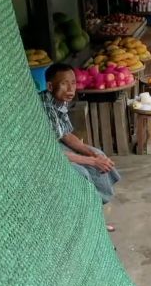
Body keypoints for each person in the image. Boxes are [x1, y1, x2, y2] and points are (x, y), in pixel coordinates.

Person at [41, 63, 121, 231]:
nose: (71, 89)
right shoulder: (46, 106)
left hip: (57, 144)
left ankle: (96, 216)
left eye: (73, 83)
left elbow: (67, 135)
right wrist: (92, 161)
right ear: (50, 86)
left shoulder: (58, 100)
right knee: (82, 172)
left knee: (97, 153)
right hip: (44, 151)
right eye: (64, 83)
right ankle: (88, 222)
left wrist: (94, 155)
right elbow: (53, 151)